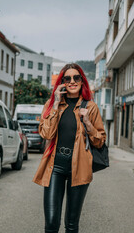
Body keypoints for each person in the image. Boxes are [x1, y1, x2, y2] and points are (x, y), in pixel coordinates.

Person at [33, 63, 106, 233]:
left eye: (76, 77)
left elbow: (100, 141)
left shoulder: (91, 107)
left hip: (79, 168)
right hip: (55, 167)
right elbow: (46, 134)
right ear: (62, 82)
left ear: (82, 81)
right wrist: (56, 104)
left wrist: (87, 122)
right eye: (68, 78)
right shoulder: (51, 105)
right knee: (51, 223)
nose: (72, 81)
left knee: (72, 225)